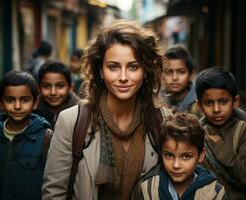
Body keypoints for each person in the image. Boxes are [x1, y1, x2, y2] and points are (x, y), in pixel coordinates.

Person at [42, 19, 173, 200]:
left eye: (133, 67)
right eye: (113, 67)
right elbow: (54, 194)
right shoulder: (72, 122)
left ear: (145, 70)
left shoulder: (162, 121)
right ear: (101, 71)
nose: (123, 77)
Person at [131, 112, 227, 200]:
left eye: (186, 156)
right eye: (169, 155)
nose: (176, 165)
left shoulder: (215, 194)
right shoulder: (147, 189)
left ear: (201, 155)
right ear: (161, 153)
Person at [196, 66, 246, 199]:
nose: (216, 109)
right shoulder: (195, 133)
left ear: (235, 102)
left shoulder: (244, 131)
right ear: (199, 106)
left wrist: (219, 144)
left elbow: (245, 176)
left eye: (223, 101)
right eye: (209, 103)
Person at [0, 70, 52, 200]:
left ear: (35, 102)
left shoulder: (46, 138)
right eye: (10, 100)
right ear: (0, 103)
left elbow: (52, 184)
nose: (17, 106)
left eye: (24, 100)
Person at [35, 61, 80, 129]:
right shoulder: (32, 112)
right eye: (46, 86)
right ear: (39, 88)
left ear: (70, 88)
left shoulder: (81, 112)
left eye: (60, 86)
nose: (53, 92)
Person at [160, 44, 202, 117]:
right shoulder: (156, 103)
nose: (175, 77)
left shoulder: (201, 103)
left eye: (181, 72)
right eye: (169, 72)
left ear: (191, 74)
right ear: (161, 75)